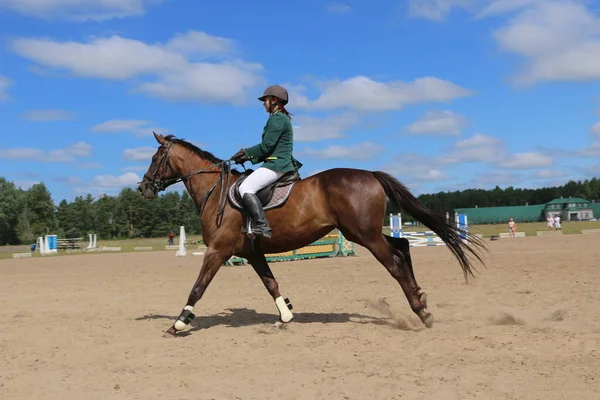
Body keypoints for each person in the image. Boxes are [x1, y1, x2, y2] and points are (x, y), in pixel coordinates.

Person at [231, 85, 302, 239]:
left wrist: (246, 153)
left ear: (274, 100)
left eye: (265, 100)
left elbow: (267, 146)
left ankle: (263, 226)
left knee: (245, 187)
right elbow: (269, 149)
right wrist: (246, 157)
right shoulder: (278, 118)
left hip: (278, 164)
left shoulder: (277, 119)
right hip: (275, 162)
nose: (264, 103)